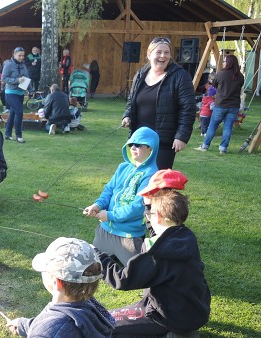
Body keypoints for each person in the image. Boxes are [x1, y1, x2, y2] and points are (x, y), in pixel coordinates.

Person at [95, 171, 211, 337]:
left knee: (102, 326)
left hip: (166, 317)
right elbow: (156, 231)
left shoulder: (159, 254)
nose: (146, 214)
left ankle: (171, 334)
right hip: (190, 310)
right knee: (105, 319)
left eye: (148, 212)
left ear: (158, 216)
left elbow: (122, 280)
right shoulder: (184, 235)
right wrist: (151, 205)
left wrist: (96, 255)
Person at [6, 237, 115, 337]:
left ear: (57, 282)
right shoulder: (89, 309)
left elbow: (50, 329)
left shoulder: (48, 333)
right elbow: (51, 325)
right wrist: (23, 325)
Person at [83, 126, 159, 265]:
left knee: (140, 273)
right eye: (131, 144)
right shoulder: (123, 167)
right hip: (105, 231)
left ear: (150, 148)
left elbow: (138, 207)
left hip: (129, 236)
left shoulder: (151, 174)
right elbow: (109, 189)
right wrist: (98, 204)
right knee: (91, 265)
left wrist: (109, 215)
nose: (133, 148)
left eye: (138, 145)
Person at [121, 37, 196, 170]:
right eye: (159, 52)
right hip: (139, 139)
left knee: (157, 182)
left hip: (163, 141)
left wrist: (181, 136)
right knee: (136, 177)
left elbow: (188, 108)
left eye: (167, 52)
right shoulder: (140, 74)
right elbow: (131, 102)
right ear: (149, 55)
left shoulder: (180, 76)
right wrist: (127, 116)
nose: (163, 56)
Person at [195, 54, 244, 154]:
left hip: (221, 104)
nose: (223, 63)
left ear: (228, 63)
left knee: (212, 125)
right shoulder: (240, 76)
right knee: (228, 127)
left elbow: (214, 86)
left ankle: (205, 146)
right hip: (234, 106)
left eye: (224, 61)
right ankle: (223, 148)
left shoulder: (221, 74)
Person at [2, 46, 29, 143]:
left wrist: (30, 89)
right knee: (19, 112)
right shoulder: (8, 65)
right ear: (14, 54)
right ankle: (19, 135)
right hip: (10, 92)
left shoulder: (23, 65)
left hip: (20, 92)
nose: (21, 57)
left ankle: (8, 134)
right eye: (19, 55)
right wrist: (17, 80)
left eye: (23, 55)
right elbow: (4, 78)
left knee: (13, 113)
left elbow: (27, 77)